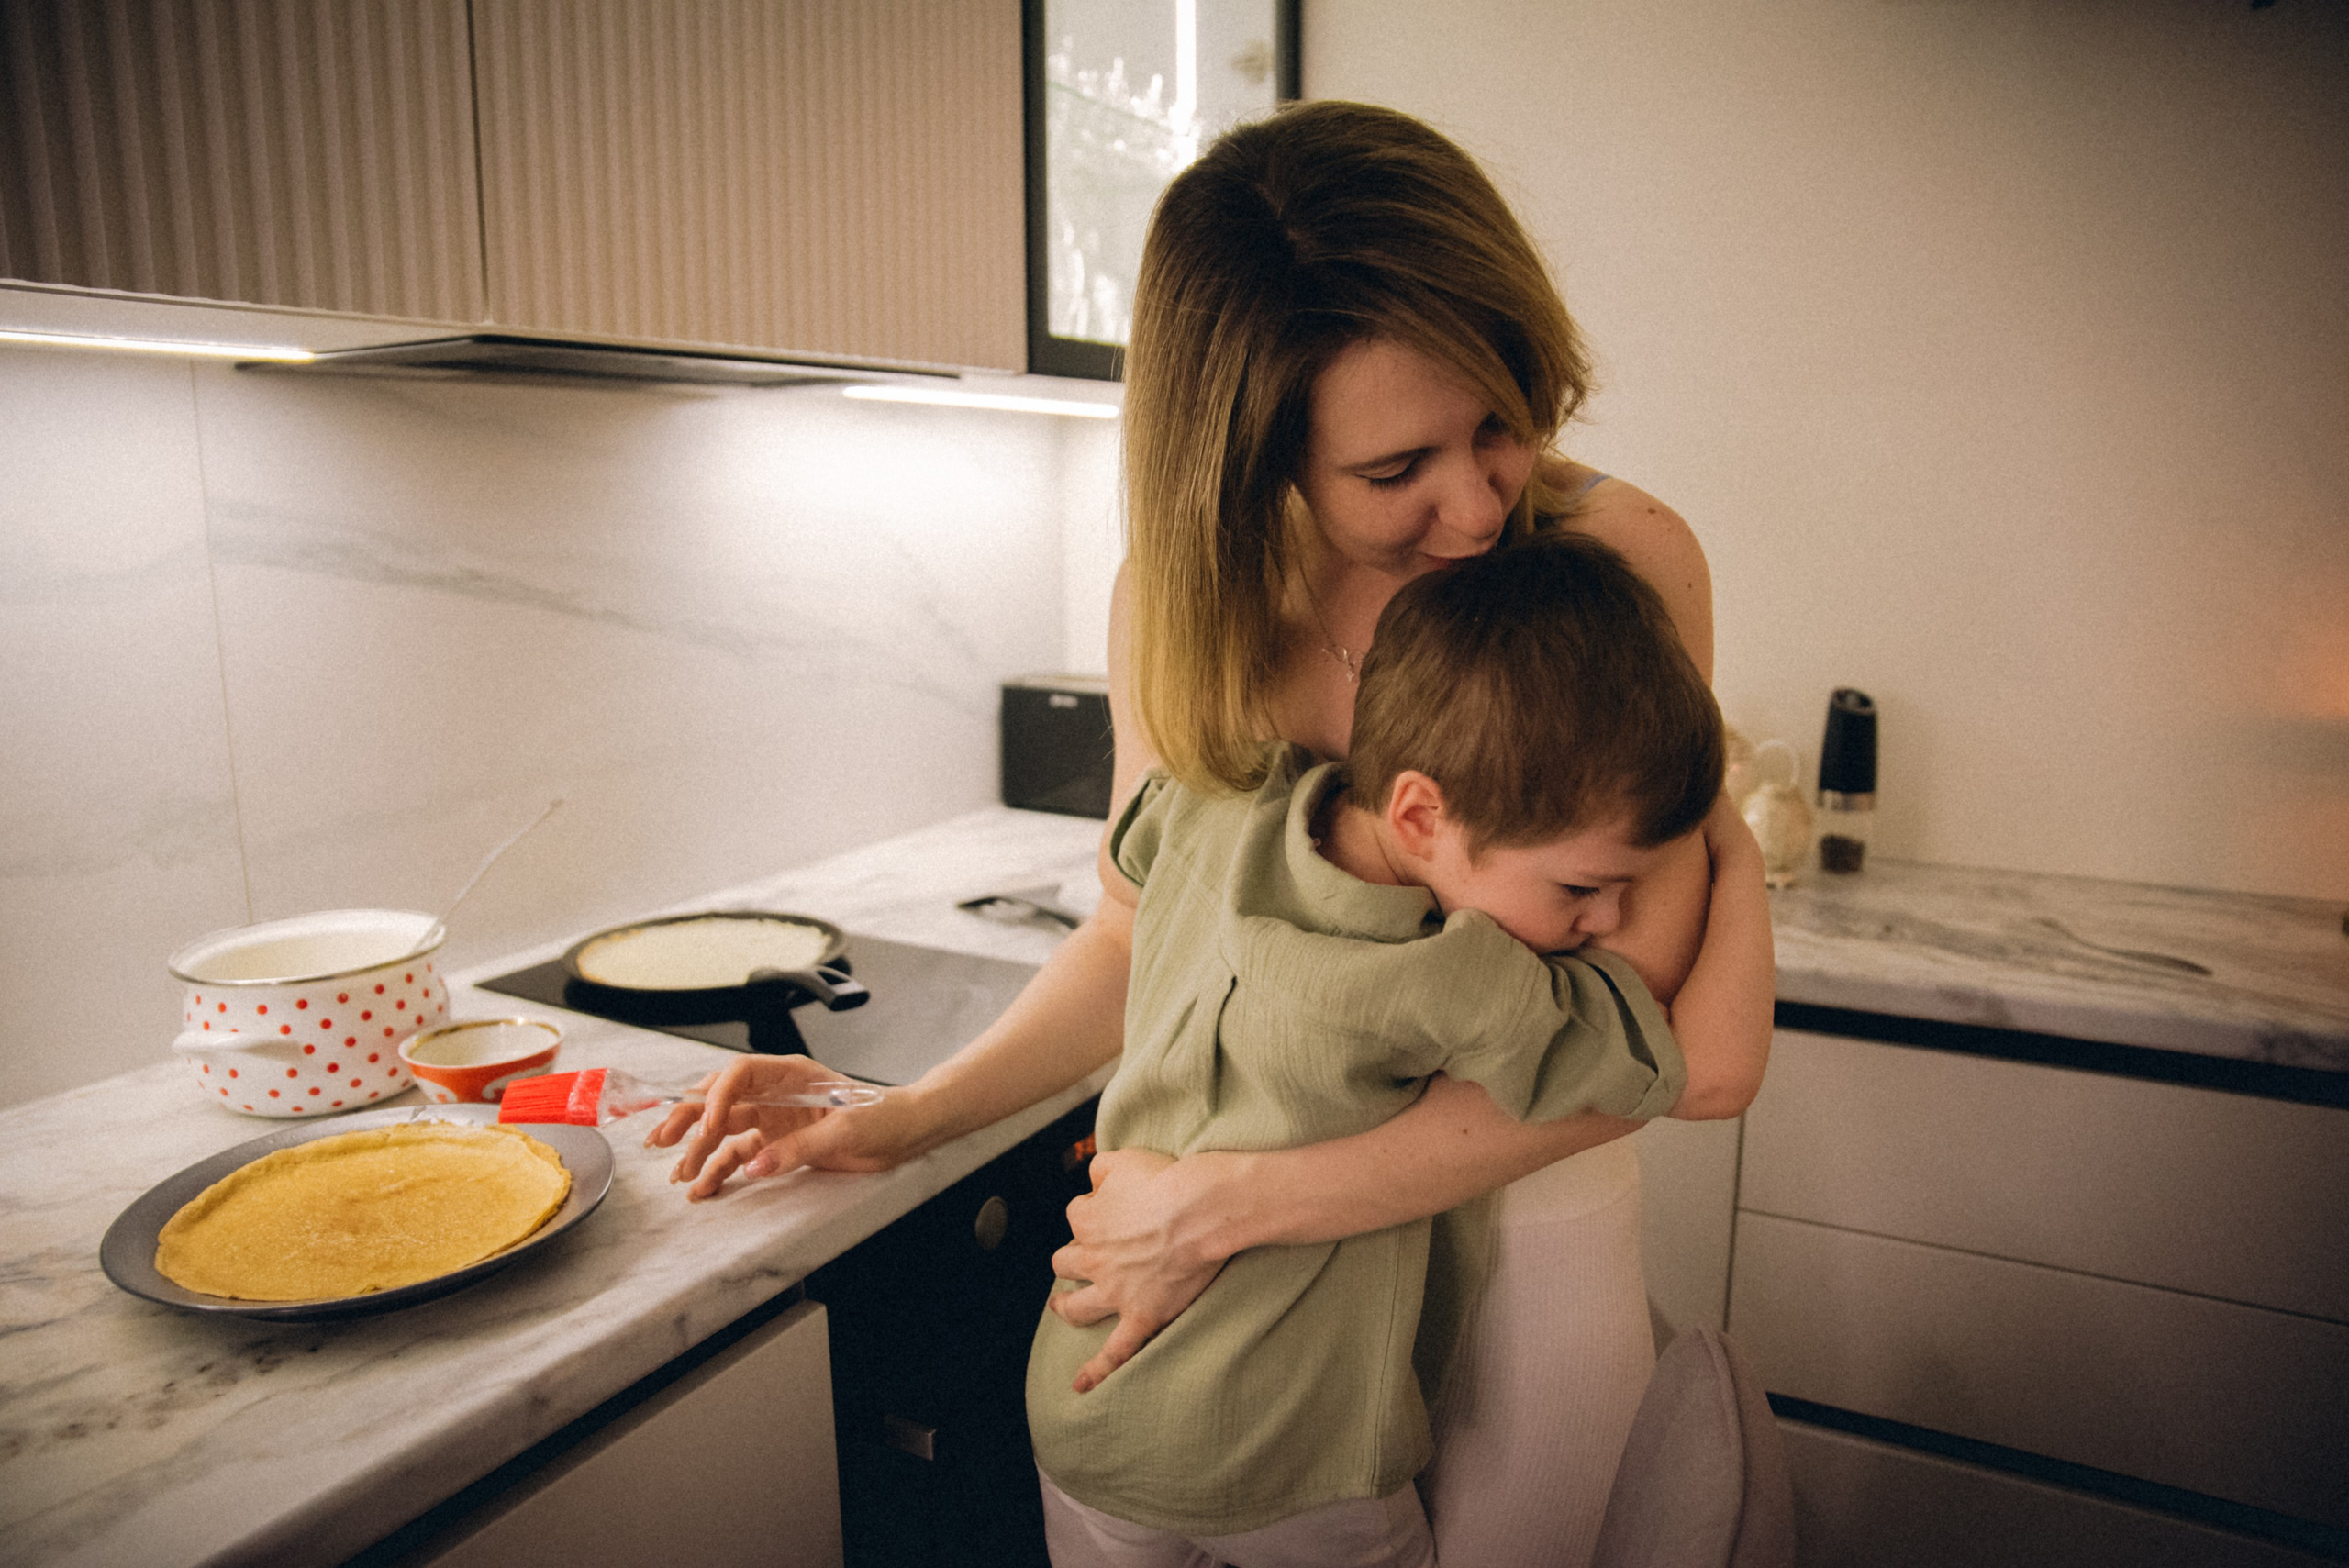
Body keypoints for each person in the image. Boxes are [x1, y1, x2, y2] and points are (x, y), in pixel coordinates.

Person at [652, 99, 1766, 1561]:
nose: (1475, 505)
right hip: (1241, 1304)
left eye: (1501, 421)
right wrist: (907, 1114)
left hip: (1514, 1230)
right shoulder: (1184, 607)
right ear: (1257, 457)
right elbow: (1138, 939)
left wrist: (1236, 1204)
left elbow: (1637, 1030)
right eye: (1395, 472)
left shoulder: (1621, 563)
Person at [1023, 534, 1773, 1566]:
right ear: (1421, 812)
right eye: (1580, 887)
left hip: (1080, 1397)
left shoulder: (1215, 807)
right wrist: (1734, 844)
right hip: (1285, 1455)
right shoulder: (1453, 973)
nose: (1603, 920)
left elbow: (1128, 862)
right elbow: (1716, 1070)